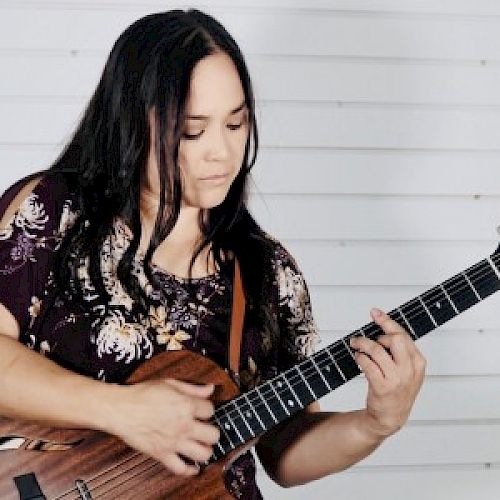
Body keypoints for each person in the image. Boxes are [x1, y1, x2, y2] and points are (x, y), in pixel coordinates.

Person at [0, 9, 426, 499]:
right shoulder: (53, 213)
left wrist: (375, 423)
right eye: (192, 131)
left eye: (236, 123)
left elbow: (282, 452)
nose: (222, 154)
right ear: (131, 121)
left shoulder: (268, 274)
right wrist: (120, 409)